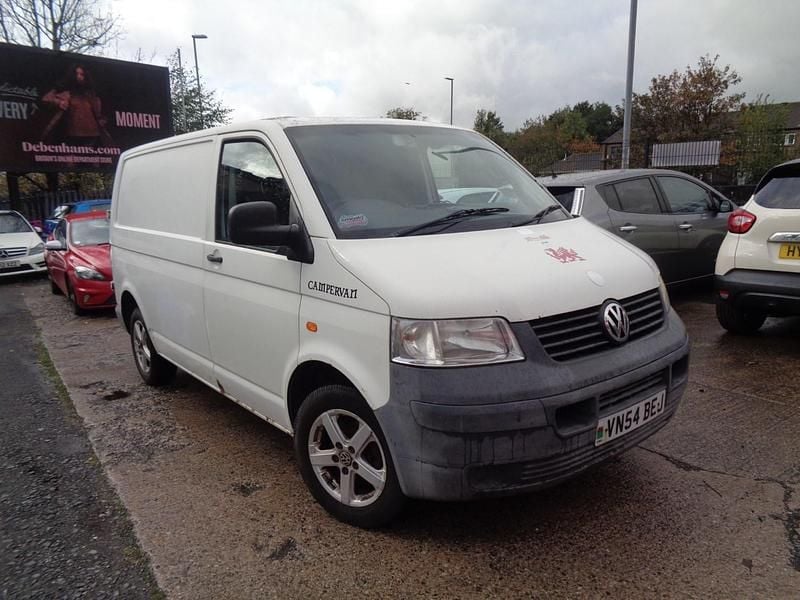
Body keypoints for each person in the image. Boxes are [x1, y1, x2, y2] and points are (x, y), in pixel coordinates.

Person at [41, 64, 113, 146]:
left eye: (81, 74)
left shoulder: (91, 94)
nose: (79, 77)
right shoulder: (65, 92)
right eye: (76, 74)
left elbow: (100, 113)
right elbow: (46, 99)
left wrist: (102, 120)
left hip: (93, 135)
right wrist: (59, 102)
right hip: (73, 135)